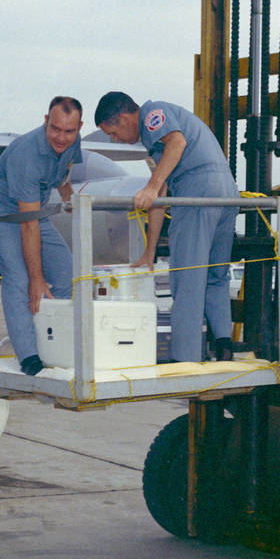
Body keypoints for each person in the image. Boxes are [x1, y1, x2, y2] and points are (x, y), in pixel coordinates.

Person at [95, 92, 238, 362]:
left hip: (197, 193)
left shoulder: (154, 116)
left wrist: (149, 186)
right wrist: (149, 251)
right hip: (226, 194)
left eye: (113, 133)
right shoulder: (157, 142)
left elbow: (177, 143)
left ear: (125, 119)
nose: (115, 140)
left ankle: (185, 358)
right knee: (216, 276)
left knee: (187, 279)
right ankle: (224, 345)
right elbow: (159, 197)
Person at [0, 96, 82, 375]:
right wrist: (37, 278)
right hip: (3, 216)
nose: (61, 137)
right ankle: (29, 355)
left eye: (69, 131)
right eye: (55, 129)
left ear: (79, 128)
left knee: (67, 272)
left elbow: (63, 174)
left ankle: (59, 345)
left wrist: (70, 200)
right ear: (46, 121)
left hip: (34, 211)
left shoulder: (72, 143)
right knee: (21, 278)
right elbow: (27, 225)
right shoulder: (27, 154)